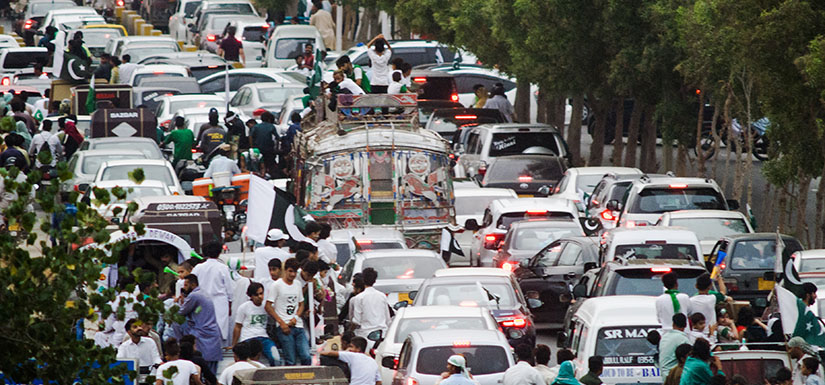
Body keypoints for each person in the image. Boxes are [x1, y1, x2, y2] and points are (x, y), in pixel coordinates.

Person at [265, 257, 311, 365]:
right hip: (283, 328)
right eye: (290, 271)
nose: (293, 274)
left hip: (298, 326)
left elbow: (301, 304)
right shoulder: (276, 285)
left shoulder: (297, 284)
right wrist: (281, 323)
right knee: (291, 359)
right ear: (285, 270)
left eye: (295, 272)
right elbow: (268, 306)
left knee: (306, 356)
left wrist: (295, 318)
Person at [190, 241, 234, 345]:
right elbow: (230, 290)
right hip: (220, 303)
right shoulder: (223, 268)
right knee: (220, 330)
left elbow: (189, 283)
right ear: (219, 253)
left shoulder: (198, 268)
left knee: (203, 329)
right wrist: (230, 304)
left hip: (201, 303)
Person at [179, 274, 223, 374]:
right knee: (211, 372)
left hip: (201, 334)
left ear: (193, 284)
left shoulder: (194, 295)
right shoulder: (204, 293)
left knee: (200, 370)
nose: (184, 288)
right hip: (211, 333)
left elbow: (181, 312)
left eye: (186, 285)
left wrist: (180, 301)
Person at [231, 282, 281, 366]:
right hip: (248, 338)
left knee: (276, 358)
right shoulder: (244, 307)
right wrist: (234, 345)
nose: (260, 297)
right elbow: (238, 327)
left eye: (261, 293)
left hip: (264, 338)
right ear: (251, 296)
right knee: (249, 363)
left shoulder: (266, 307)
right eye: (256, 295)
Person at [350, 267, 391, 344]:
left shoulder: (359, 298)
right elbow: (387, 319)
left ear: (363, 280)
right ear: (375, 281)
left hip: (365, 334)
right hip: (382, 333)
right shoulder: (382, 296)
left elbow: (357, 321)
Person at [660, 313, 691, 379]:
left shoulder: (664, 337)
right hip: (675, 377)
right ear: (685, 325)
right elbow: (690, 359)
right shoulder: (683, 339)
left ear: (673, 324)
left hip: (664, 376)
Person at [249, 111, 279, 176]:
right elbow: (277, 138)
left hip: (258, 149)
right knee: (270, 163)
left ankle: (260, 174)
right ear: (269, 119)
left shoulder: (256, 127)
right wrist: (276, 148)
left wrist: (252, 147)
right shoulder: (271, 126)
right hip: (269, 149)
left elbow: (251, 136)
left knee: (258, 164)